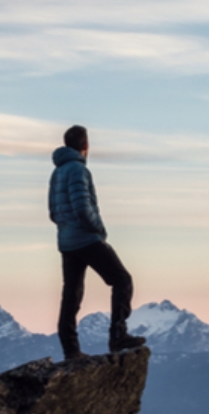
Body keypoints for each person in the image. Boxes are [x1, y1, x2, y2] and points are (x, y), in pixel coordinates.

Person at [49, 125, 146, 360]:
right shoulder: (78, 170)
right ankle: (118, 335)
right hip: (87, 239)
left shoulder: (57, 172)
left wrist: (66, 228)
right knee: (122, 280)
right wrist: (98, 229)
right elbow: (83, 206)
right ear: (85, 145)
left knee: (71, 294)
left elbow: (53, 212)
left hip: (67, 242)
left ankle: (70, 350)